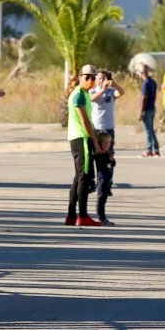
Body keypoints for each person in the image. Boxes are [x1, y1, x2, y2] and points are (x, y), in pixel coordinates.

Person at [65, 65, 103, 226]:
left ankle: (72, 215)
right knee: (84, 178)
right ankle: (83, 215)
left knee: (77, 178)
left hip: (78, 138)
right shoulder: (79, 95)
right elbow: (85, 121)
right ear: (80, 77)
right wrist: (95, 141)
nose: (90, 80)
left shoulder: (85, 95)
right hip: (82, 138)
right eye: (87, 77)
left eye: (93, 78)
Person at [90, 69, 124, 152]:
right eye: (100, 78)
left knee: (109, 153)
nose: (102, 80)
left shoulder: (111, 91)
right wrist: (102, 90)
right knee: (97, 153)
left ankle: (109, 164)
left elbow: (121, 92)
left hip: (108, 127)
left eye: (104, 78)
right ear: (96, 80)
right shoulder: (92, 91)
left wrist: (114, 84)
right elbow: (91, 98)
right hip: (97, 127)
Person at [94, 131, 116, 226]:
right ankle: (101, 218)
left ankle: (103, 217)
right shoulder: (99, 154)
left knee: (104, 199)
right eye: (104, 142)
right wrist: (108, 159)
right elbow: (102, 164)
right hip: (102, 179)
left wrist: (111, 159)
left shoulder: (107, 153)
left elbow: (113, 164)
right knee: (101, 199)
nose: (106, 144)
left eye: (108, 142)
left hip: (107, 179)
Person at [138, 63, 160, 157]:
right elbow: (154, 96)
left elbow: (143, 98)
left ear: (141, 72)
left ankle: (149, 149)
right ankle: (156, 149)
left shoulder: (145, 83)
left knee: (147, 130)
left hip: (146, 109)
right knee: (151, 129)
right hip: (152, 108)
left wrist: (140, 112)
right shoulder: (153, 82)